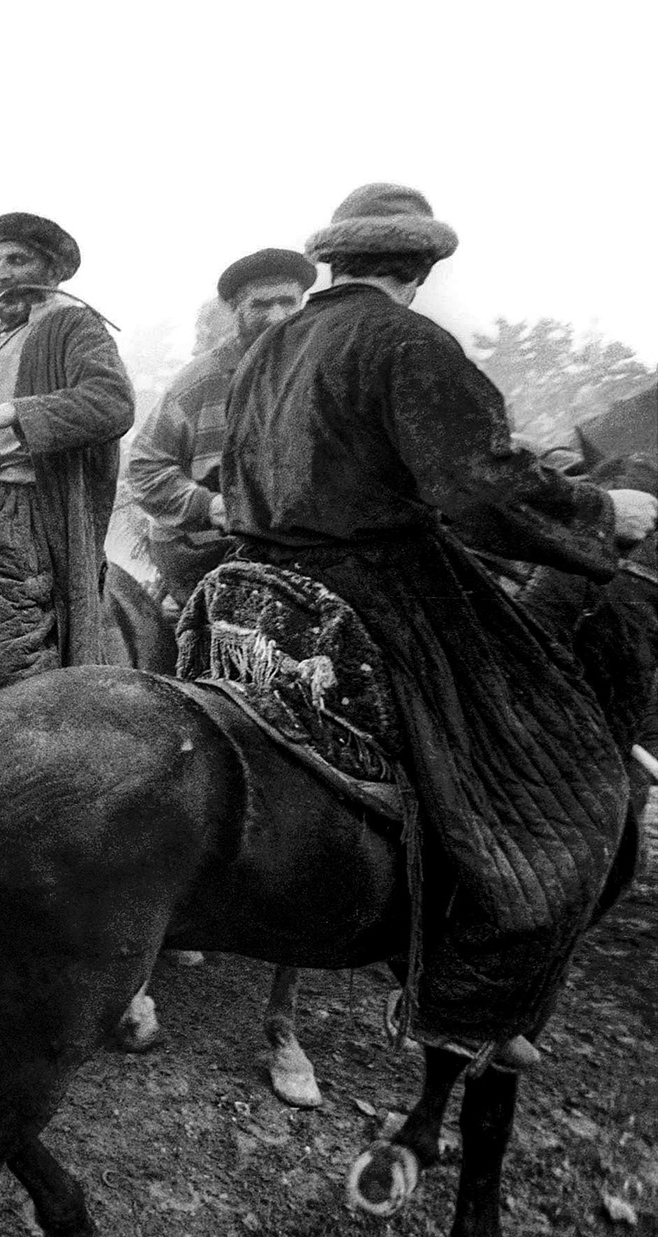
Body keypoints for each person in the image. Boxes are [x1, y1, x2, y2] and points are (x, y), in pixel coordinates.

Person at [217, 182, 658, 1066]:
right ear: (420, 267)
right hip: (383, 585)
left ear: (334, 263)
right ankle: (467, 997)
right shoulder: (408, 340)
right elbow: (480, 491)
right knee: (564, 763)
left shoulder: (271, 347)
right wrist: (602, 512)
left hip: (254, 580)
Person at [0, 212, 135, 692]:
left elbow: (112, 402)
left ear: (53, 269)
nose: (2, 271)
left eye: (17, 259)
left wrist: (13, 413)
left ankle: (32, 738)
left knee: (8, 661)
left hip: (19, 511)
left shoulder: (72, 324)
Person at [127, 248, 317, 607]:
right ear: (236, 310)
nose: (277, 316)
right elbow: (143, 469)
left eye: (288, 302)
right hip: (205, 552)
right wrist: (211, 505)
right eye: (260, 305)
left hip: (289, 548)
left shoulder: (315, 371)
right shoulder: (199, 381)